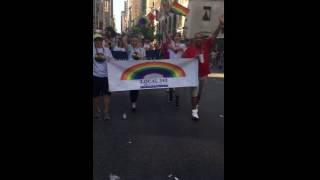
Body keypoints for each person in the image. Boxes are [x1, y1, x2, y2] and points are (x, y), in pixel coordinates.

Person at [182, 16, 224, 121]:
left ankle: (196, 106)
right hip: (193, 76)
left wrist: (220, 25)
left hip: (204, 74)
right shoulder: (189, 49)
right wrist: (193, 58)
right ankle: (194, 111)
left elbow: (214, 36)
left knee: (199, 94)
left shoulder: (207, 45)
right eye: (197, 38)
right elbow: (183, 61)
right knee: (194, 93)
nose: (199, 40)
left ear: (202, 39)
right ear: (194, 40)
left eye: (200, 38)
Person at [93, 33, 114, 120]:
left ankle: (106, 112)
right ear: (94, 41)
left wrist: (110, 59)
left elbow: (112, 61)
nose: (98, 41)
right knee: (95, 96)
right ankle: (97, 111)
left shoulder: (107, 50)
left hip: (106, 76)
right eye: (96, 40)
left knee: (106, 95)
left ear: (102, 41)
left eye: (100, 40)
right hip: (95, 76)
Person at [167, 33, 187, 107]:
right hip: (171, 66)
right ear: (174, 37)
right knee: (171, 81)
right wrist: (172, 47)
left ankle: (177, 99)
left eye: (179, 36)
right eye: (176, 36)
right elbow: (172, 51)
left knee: (178, 83)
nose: (177, 37)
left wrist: (180, 49)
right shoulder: (170, 44)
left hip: (179, 66)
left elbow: (185, 53)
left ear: (180, 38)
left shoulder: (183, 45)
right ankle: (171, 93)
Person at [128, 34, 146, 112]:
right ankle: (133, 102)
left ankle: (134, 101)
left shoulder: (142, 50)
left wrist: (141, 58)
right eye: (132, 41)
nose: (134, 42)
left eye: (135, 40)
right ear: (131, 42)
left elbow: (145, 59)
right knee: (132, 88)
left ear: (138, 41)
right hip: (130, 71)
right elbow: (124, 40)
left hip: (139, 70)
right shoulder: (129, 48)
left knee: (136, 88)